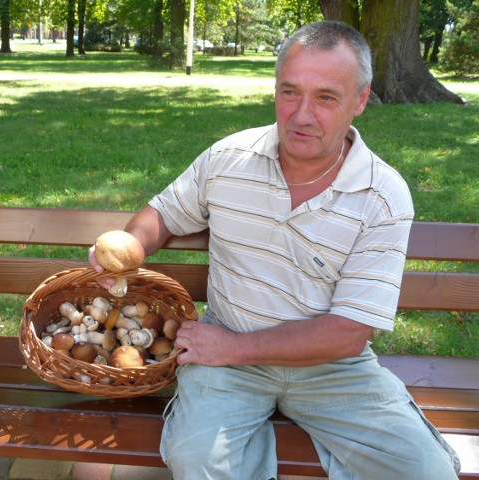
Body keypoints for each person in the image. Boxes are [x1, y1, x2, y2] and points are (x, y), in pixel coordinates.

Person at [90, 20, 460, 480]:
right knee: (198, 459)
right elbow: (162, 214)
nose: (302, 114)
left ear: (360, 100)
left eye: (326, 97)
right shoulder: (229, 159)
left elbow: (348, 333)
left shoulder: (382, 195)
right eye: (290, 92)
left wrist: (232, 348)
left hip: (330, 368)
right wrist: (130, 247)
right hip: (226, 364)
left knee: (423, 469)